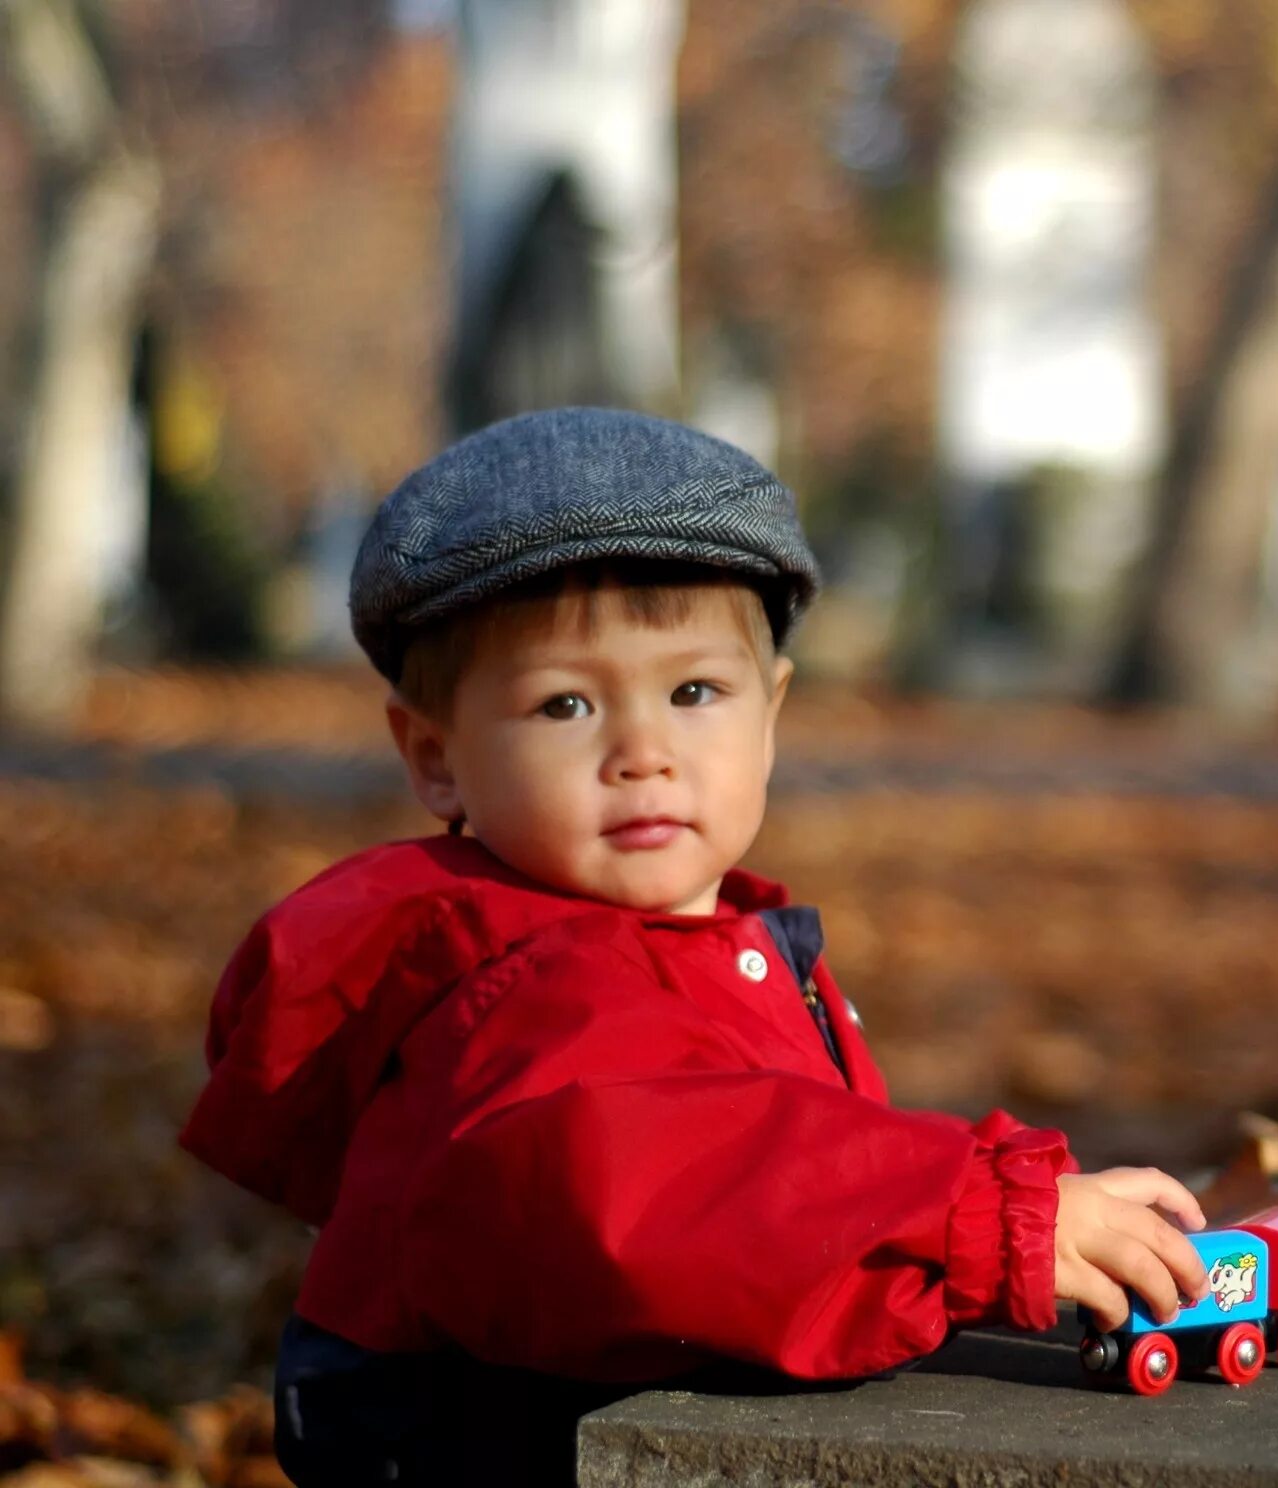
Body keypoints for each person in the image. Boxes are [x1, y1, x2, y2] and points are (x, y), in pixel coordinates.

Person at [177, 407, 1209, 1484]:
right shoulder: (525, 983)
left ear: (769, 715)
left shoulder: (716, 943)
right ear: (435, 758)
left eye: (693, 692)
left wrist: (979, 1199)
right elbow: (664, 1193)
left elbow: (785, 1150)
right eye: (565, 703)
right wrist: (979, 1219)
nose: (643, 752)